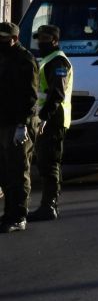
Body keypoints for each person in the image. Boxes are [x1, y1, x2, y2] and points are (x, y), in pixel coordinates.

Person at [29, 25, 72, 222]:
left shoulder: (59, 61)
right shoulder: (48, 60)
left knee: (50, 162)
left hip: (54, 118)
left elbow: (57, 93)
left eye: (45, 38)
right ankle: (48, 204)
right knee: (46, 162)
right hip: (46, 117)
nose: (40, 42)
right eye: (39, 38)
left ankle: (49, 206)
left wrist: (45, 117)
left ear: (54, 40)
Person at [0, 21, 40, 233]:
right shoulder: (3, 57)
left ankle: (19, 215)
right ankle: (8, 213)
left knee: (18, 170)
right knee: (5, 172)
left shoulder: (25, 60)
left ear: (14, 38)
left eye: (4, 38)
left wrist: (23, 125)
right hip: (3, 121)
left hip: (18, 123)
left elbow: (31, 96)